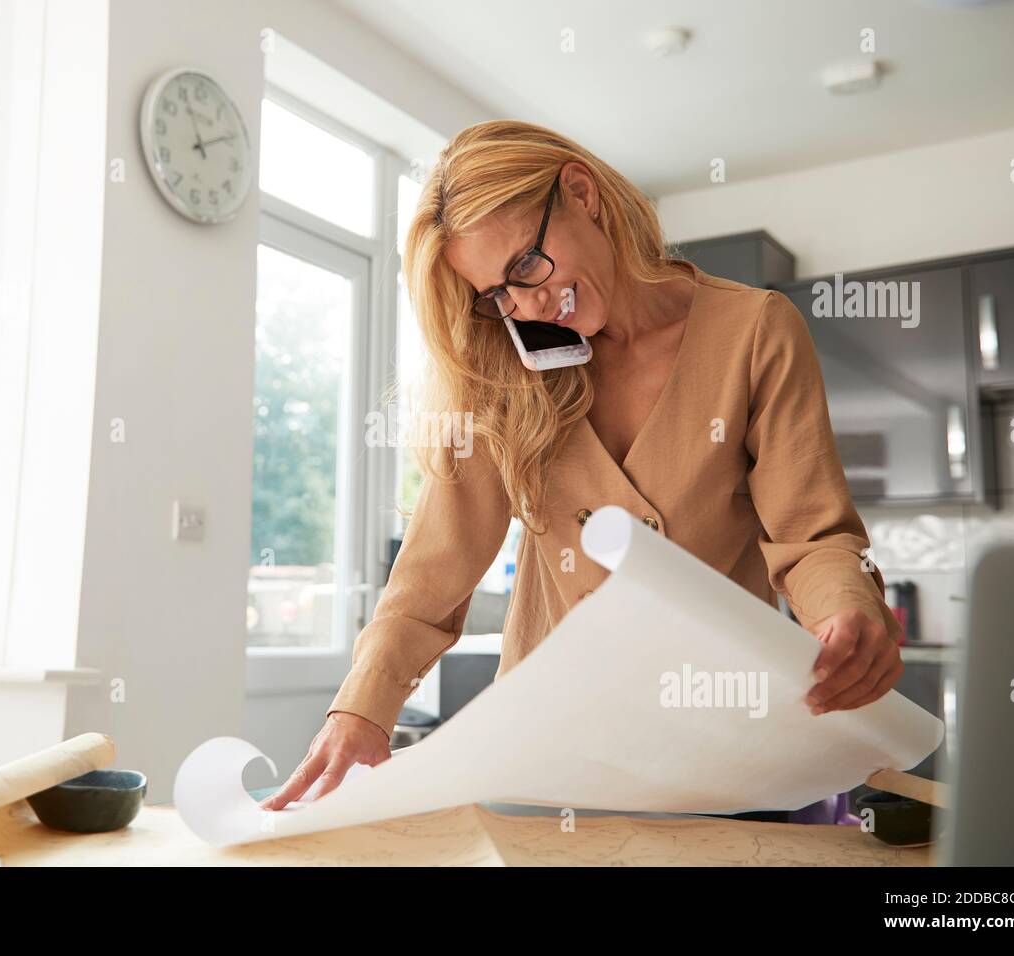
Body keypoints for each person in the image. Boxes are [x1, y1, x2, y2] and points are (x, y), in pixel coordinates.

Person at [261, 120, 902, 813]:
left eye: (527, 267)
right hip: (547, 758)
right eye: (497, 294)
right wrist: (361, 710)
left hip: (721, 751)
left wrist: (846, 611)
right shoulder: (504, 370)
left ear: (580, 192)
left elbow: (813, 536)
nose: (528, 305)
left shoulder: (754, 332)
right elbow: (431, 574)